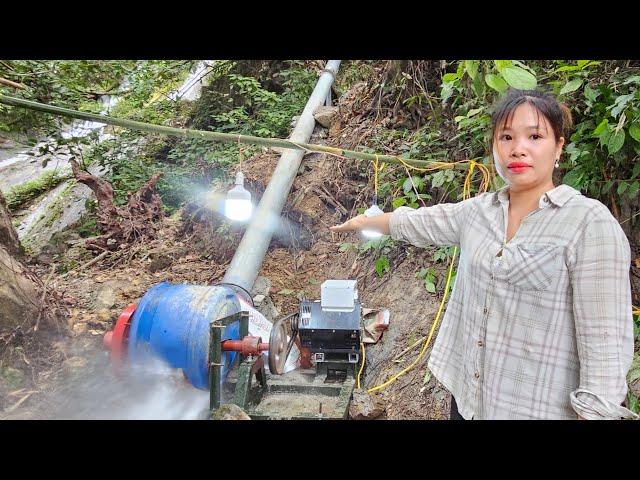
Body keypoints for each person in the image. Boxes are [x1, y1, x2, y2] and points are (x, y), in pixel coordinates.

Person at [330, 89, 638, 420]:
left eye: (535, 136)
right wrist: (367, 222)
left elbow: (605, 348)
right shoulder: (480, 212)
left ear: (559, 146)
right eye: (506, 137)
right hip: (469, 402)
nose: (518, 148)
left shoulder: (588, 223)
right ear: (494, 146)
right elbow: (420, 222)